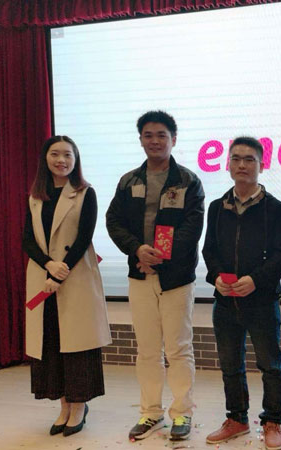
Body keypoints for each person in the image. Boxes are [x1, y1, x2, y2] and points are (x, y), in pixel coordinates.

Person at [106, 110, 205, 442]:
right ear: (140, 140)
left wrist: (159, 259)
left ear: (173, 139)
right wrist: (137, 250)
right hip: (139, 275)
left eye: (161, 135)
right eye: (148, 135)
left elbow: (192, 228)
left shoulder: (188, 181)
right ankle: (150, 412)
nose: (155, 141)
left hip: (176, 278)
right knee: (147, 350)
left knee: (178, 349)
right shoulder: (129, 181)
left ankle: (182, 413)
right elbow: (114, 222)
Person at [202, 137, 281, 450]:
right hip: (225, 301)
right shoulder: (217, 208)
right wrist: (216, 277)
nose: (242, 165)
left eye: (249, 159)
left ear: (262, 165)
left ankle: (272, 421)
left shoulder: (275, 208)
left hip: (262, 301)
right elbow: (209, 250)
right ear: (228, 164)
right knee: (230, 365)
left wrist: (256, 280)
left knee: (271, 365)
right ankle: (237, 418)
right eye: (236, 158)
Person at [23, 135, 112, 437]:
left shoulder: (85, 193)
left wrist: (60, 272)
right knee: (51, 342)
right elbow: (27, 240)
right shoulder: (36, 196)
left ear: (76, 160)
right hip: (43, 278)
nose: (61, 160)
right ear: (45, 158)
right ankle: (63, 405)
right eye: (55, 154)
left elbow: (84, 236)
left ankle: (79, 405)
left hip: (75, 278)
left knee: (77, 345)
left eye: (68, 155)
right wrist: (49, 265)